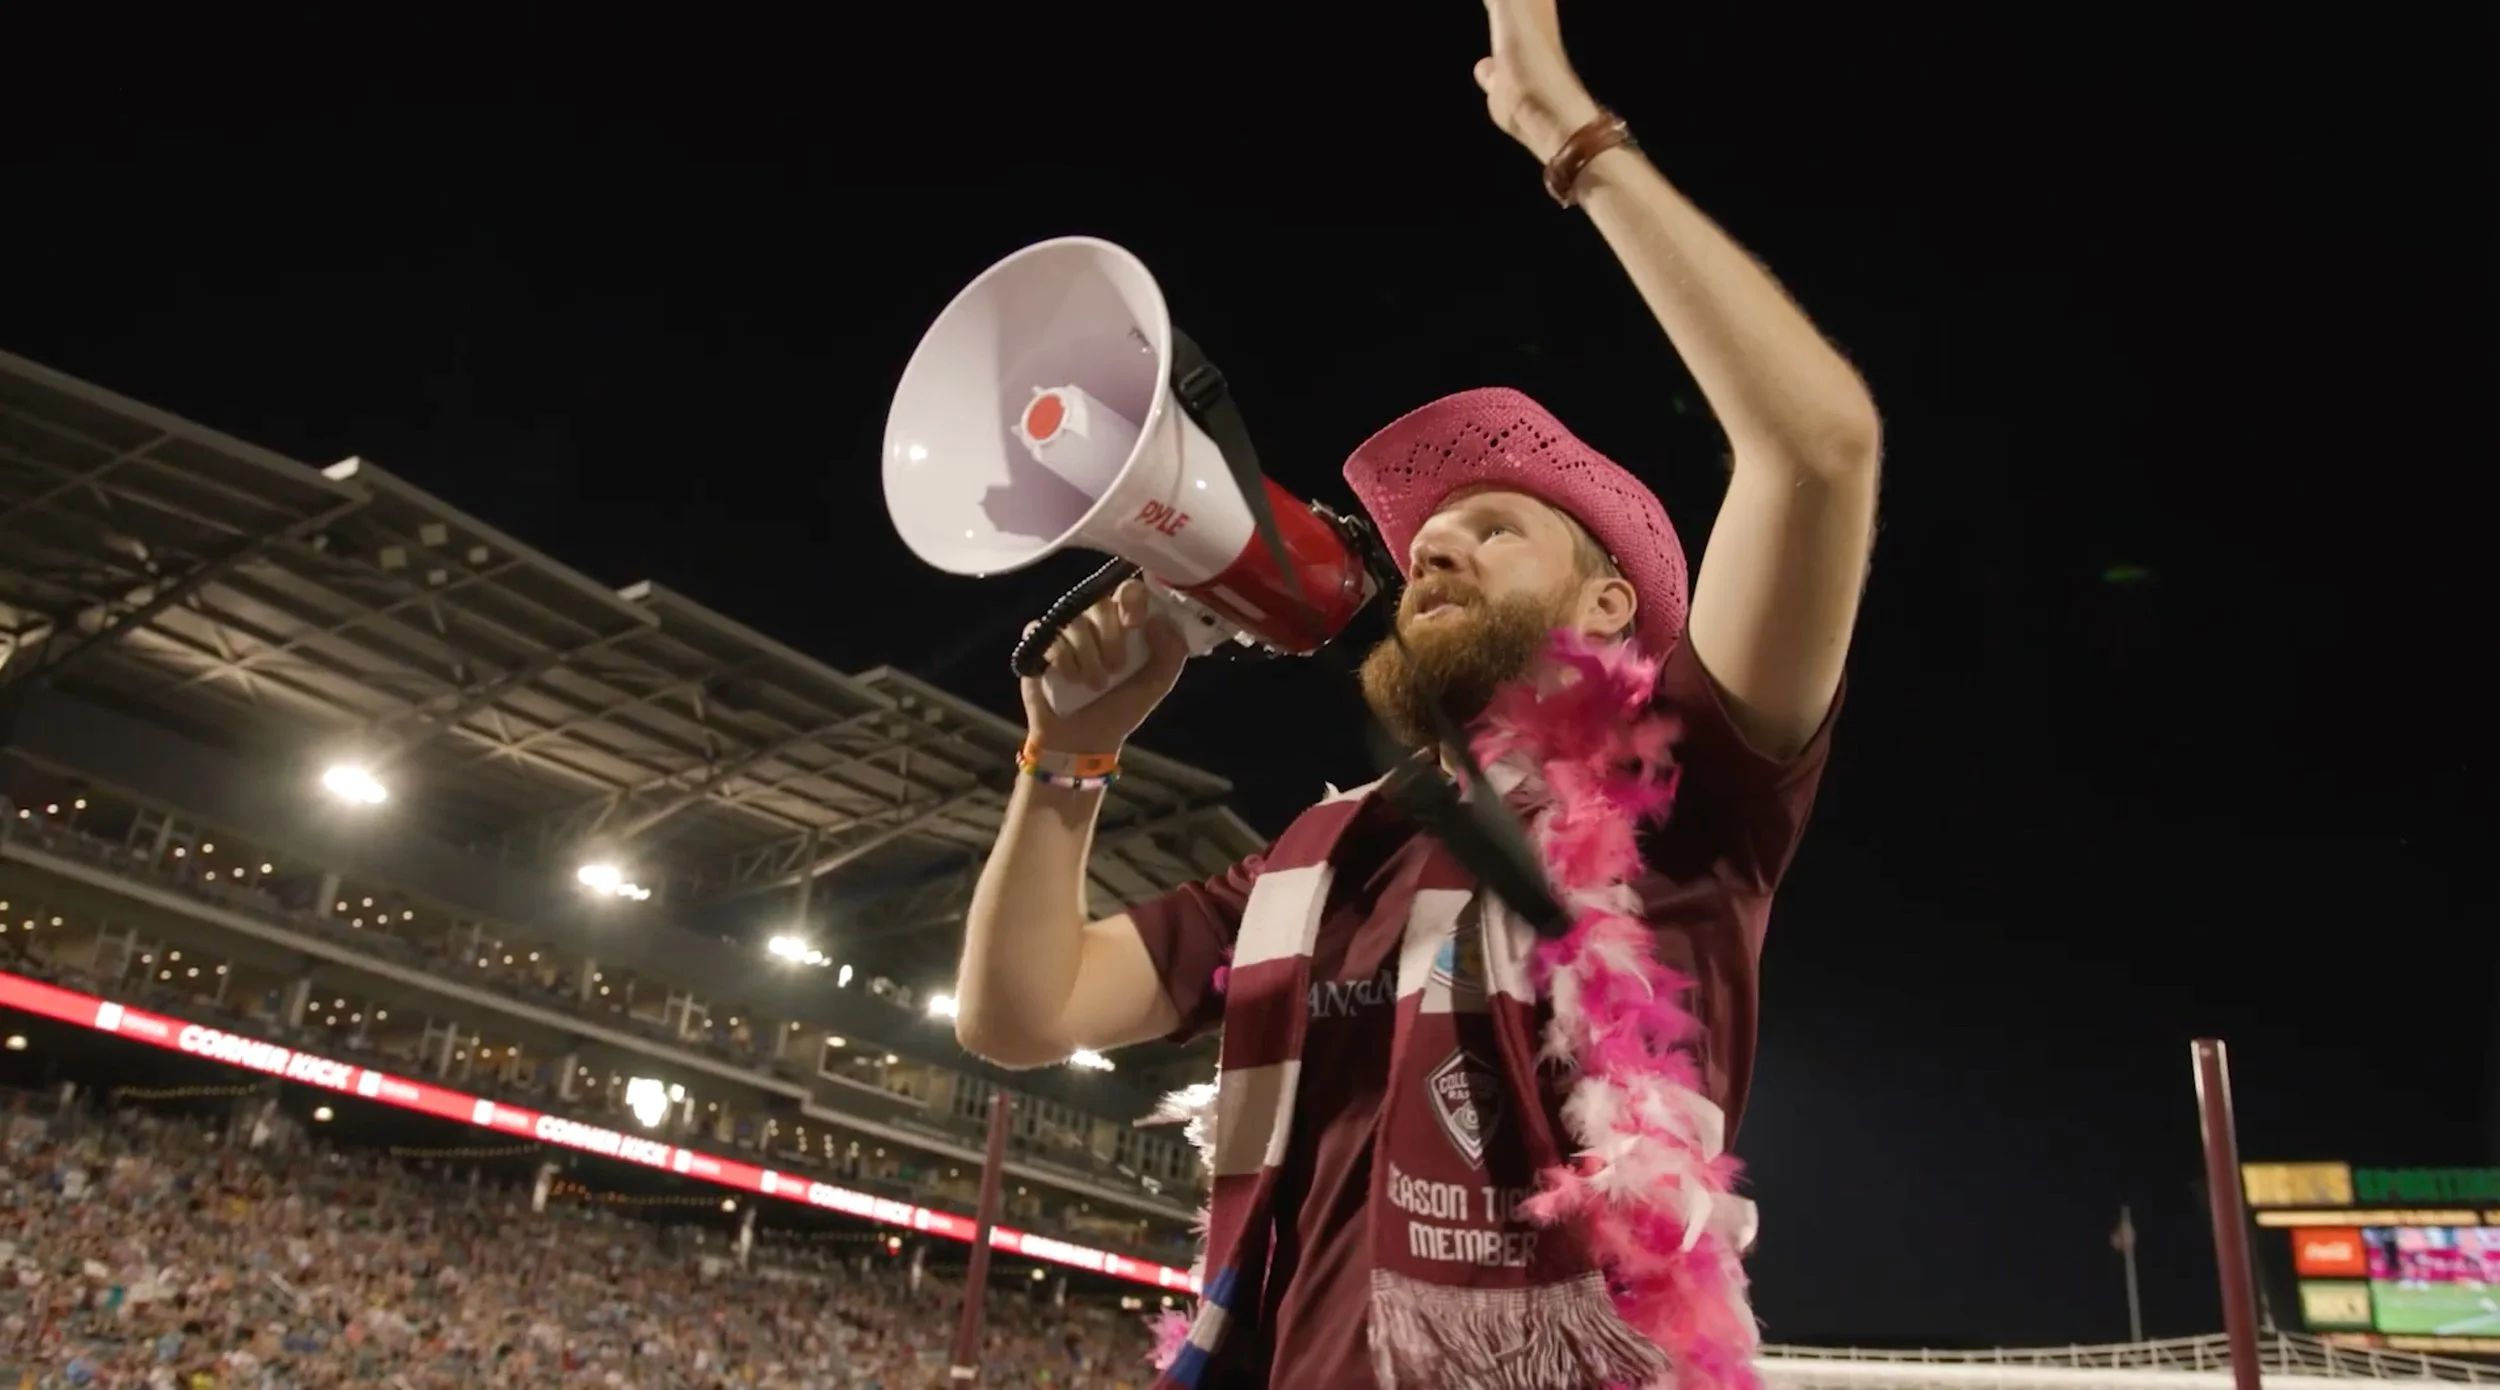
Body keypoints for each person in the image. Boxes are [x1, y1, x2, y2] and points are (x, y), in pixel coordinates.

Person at [951, 3, 1880, 1387]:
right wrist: (1067, 759)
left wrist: (1574, 135)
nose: (1432, 543)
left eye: (1495, 526)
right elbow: (1020, 1010)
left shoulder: (1685, 788)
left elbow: (1818, 447)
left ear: (1611, 599)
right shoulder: (1326, 862)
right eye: (1425, 539)